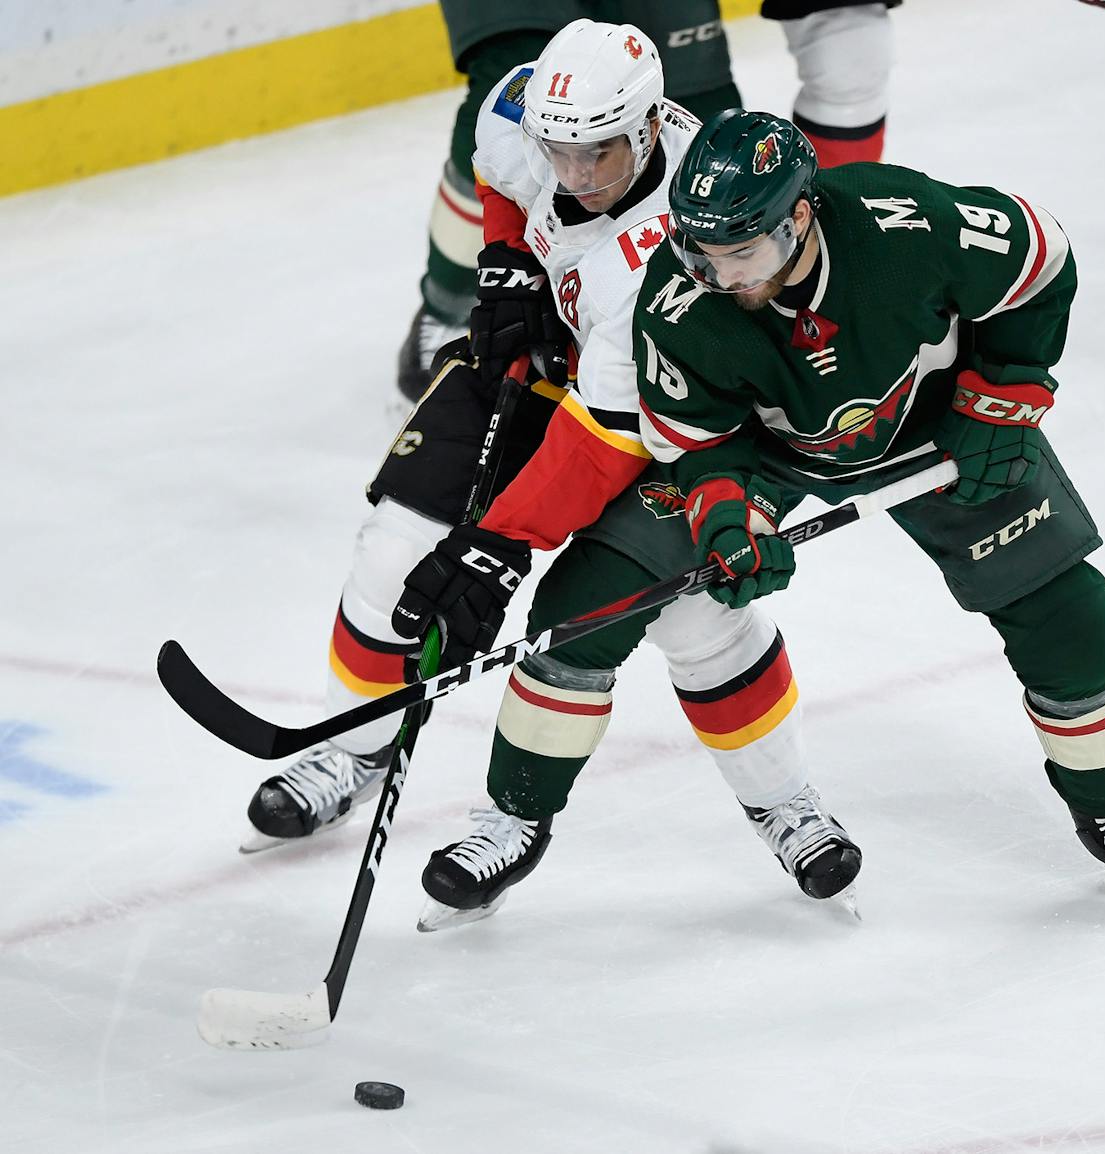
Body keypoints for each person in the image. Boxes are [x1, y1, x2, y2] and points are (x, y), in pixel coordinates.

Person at [246, 22, 861, 931]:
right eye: (557, 151)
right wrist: (508, 264)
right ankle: (353, 747)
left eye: (597, 155)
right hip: (552, 362)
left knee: (696, 614)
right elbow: (503, 169)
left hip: (661, 409)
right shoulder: (532, 115)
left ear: (650, 127)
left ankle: (785, 802)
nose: (572, 175)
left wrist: (496, 550)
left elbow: (602, 440)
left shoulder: (658, 257)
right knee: (392, 553)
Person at [631, 108, 1105, 909]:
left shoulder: (901, 223)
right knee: (676, 589)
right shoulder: (678, 304)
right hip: (773, 455)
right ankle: (782, 807)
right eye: (703, 255)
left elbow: (1040, 259)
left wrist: (1001, 402)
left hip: (933, 428)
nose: (724, 276)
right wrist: (729, 519)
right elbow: (699, 441)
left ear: (800, 214)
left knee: (1073, 620)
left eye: (744, 252)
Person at [396, 0, 903, 404]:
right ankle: (447, 301)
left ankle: (806, 272)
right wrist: (510, 259)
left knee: (719, 149)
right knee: (530, 93)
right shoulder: (511, 128)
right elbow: (500, 146)